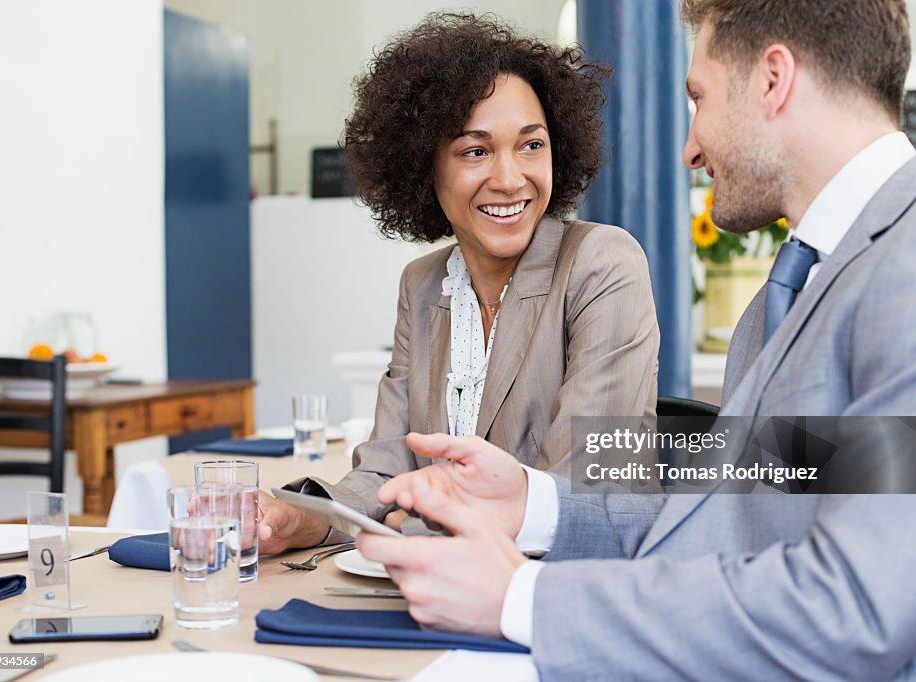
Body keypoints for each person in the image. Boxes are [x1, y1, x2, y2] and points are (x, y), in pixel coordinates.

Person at [355, 1, 916, 679]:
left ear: (773, 79)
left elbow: (854, 608)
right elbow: (727, 519)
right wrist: (533, 502)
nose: (689, 148)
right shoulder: (792, 294)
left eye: (698, 97)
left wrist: (522, 597)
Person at [258, 13, 660, 552]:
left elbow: (585, 487)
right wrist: (304, 517)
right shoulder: (422, 285)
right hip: (438, 596)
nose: (511, 178)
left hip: (562, 596)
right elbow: (383, 472)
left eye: (531, 145)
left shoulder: (602, 264)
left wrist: (422, 523)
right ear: (426, 168)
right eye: (476, 150)